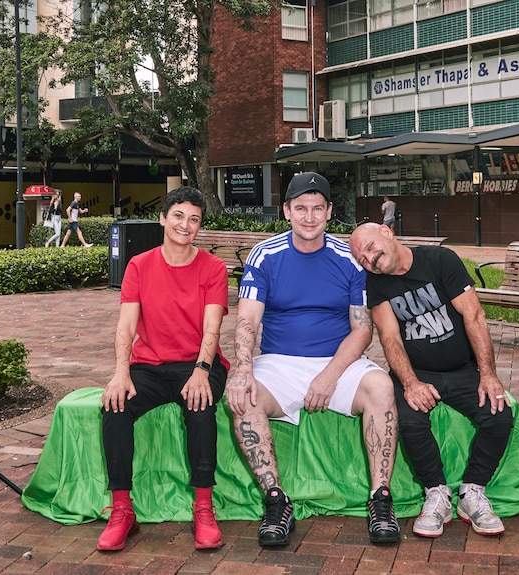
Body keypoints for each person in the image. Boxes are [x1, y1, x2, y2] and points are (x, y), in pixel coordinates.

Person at [226, 172, 401, 548]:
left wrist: (329, 375)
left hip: (337, 362)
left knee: (382, 386)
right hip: (279, 362)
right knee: (243, 397)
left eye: (317, 208)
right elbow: (247, 319)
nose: (309, 216)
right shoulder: (265, 254)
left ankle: (381, 499)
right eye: (301, 208)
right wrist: (241, 370)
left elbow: (361, 329)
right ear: (287, 211)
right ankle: (277, 501)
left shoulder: (348, 260)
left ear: (329, 212)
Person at [349, 222, 513, 538]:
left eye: (370, 248)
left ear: (387, 232)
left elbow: (474, 316)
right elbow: (390, 336)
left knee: (499, 416)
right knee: (409, 421)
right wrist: (409, 383)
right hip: (416, 372)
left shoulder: (440, 261)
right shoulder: (377, 283)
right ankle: (436, 492)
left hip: (462, 370)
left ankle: (472, 492)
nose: (370, 260)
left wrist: (488, 375)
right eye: (363, 259)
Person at [96, 187, 230, 552]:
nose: (185, 225)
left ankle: (203, 506)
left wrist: (202, 370)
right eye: (178, 216)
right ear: (163, 218)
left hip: (198, 364)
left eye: (194, 219)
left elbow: (212, 328)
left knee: (200, 407)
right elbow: (126, 327)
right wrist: (121, 372)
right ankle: (122, 509)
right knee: (114, 406)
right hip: (151, 366)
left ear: (200, 227)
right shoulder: (139, 265)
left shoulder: (213, 268)